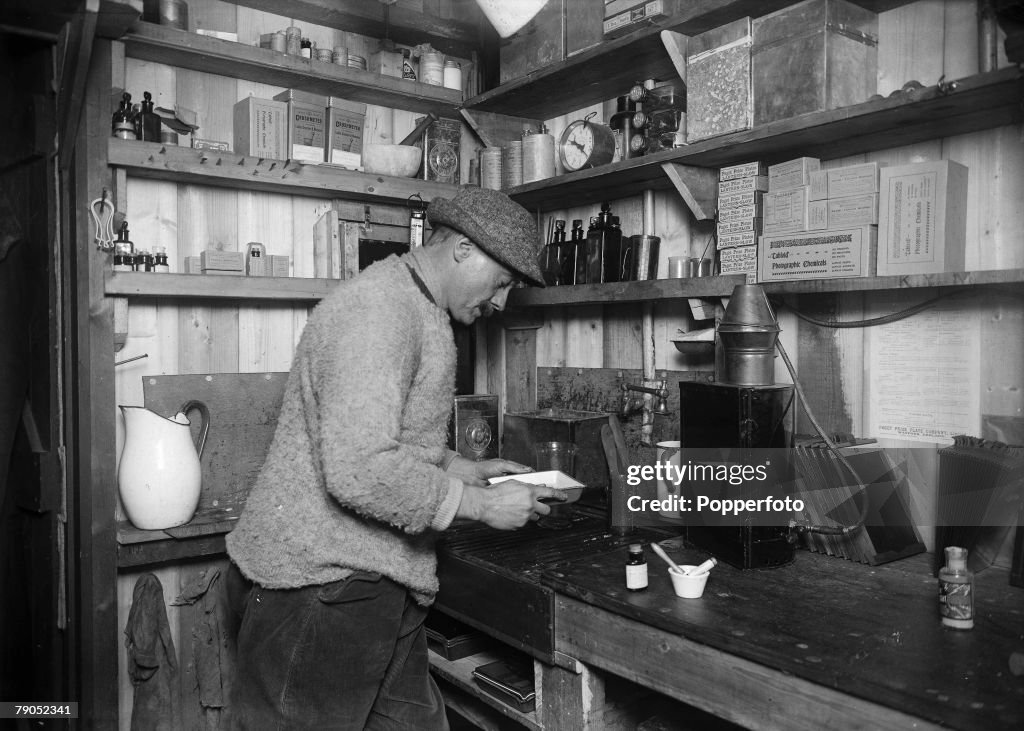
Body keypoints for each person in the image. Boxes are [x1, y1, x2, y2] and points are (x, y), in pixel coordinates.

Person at [225, 187, 562, 729]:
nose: (501, 302)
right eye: (501, 283)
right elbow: (360, 466)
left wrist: (458, 467)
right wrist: (478, 505)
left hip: (377, 582)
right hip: (321, 586)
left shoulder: (421, 308)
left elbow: (392, 434)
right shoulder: (379, 312)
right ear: (462, 249)